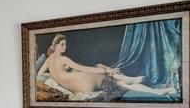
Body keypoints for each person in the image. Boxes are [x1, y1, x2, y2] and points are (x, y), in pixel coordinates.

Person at [37, 34, 176, 96]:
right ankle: (153, 89)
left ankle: (125, 78)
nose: (65, 47)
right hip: (85, 83)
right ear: (55, 45)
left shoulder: (49, 61)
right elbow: (83, 68)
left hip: (77, 88)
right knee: (113, 77)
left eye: (66, 44)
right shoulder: (64, 59)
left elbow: (39, 75)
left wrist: (55, 77)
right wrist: (106, 70)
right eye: (62, 45)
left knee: (101, 68)